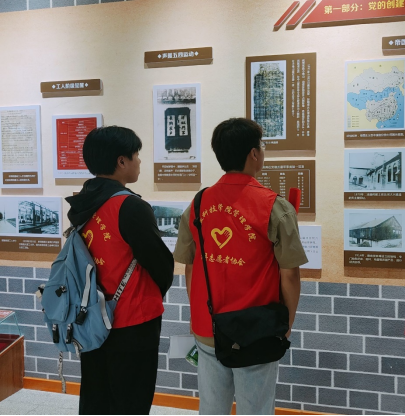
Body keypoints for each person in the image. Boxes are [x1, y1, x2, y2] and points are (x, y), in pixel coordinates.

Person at [174, 118, 308, 415]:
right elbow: (290, 274)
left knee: (212, 408)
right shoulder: (274, 207)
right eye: (261, 146)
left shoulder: (198, 204)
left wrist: (198, 316)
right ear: (253, 154)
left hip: (208, 326)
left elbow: (191, 267)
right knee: (256, 410)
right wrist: (287, 324)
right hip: (256, 330)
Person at [66, 126, 174, 415]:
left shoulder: (82, 202)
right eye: (136, 154)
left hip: (90, 317)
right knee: (130, 402)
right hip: (132, 320)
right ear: (121, 161)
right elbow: (161, 265)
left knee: (96, 397)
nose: (139, 161)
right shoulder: (130, 206)